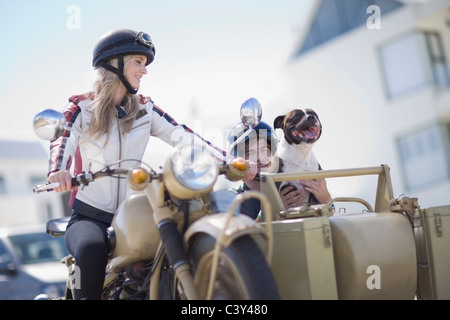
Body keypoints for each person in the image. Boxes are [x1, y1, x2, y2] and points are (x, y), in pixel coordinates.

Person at [46, 28, 226, 300]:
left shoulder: (145, 109)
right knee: (92, 249)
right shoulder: (83, 107)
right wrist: (58, 171)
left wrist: (226, 161)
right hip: (90, 216)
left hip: (135, 215)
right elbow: (63, 138)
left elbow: (184, 136)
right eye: (138, 62)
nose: (144, 71)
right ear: (115, 63)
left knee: (180, 240)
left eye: (145, 64)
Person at [227, 121, 332, 220]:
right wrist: (270, 211)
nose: (261, 158)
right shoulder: (234, 200)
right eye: (250, 153)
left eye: (265, 150)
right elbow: (243, 238)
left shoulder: (294, 186)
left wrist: (325, 199)